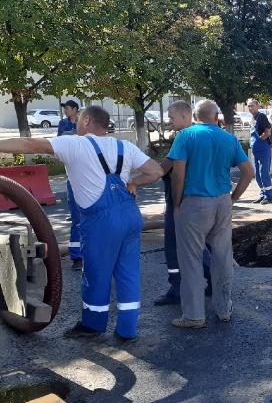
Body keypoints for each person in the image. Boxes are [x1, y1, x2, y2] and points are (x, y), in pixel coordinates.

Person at [0, 106, 163, 342]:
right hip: (130, 217)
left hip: (101, 222)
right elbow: (156, 171)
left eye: (79, 120)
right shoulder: (125, 146)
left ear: (86, 120)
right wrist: (134, 183)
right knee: (128, 273)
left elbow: (29, 145)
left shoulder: (74, 144)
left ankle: (92, 325)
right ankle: (128, 329)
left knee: (97, 273)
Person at [168, 100, 254, 328]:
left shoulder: (186, 136)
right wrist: (232, 198)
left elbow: (178, 175)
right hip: (222, 202)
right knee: (223, 257)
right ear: (217, 116)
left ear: (195, 116)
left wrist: (177, 203)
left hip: (194, 204)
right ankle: (224, 309)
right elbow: (248, 173)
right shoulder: (229, 138)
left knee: (191, 260)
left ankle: (194, 315)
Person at [153, 100, 213, 306]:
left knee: (174, 245)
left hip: (179, 201)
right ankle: (212, 281)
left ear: (185, 117)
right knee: (199, 245)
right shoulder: (205, 136)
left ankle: (177, 288)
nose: (169, 121)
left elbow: (169, 170)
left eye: (171, 117)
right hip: (203, 200)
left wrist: (175, 204)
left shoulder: (184, 138)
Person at [58, 100, 83, 271]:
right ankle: (77, 257)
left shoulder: (85, 122)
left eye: (68, 108)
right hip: (72, 176)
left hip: (86, 174)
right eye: (65, 108)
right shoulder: (62, 124)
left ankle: (95, 253)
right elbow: (60, 145)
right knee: (76, 217)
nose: (66, 111)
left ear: (75, 109)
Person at [247, 98, 272, 204]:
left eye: (252, 105)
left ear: (257, 106)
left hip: (263, 149)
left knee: (263, 172)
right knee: (257, 173)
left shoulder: (261, 116)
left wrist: (259, 140)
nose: (250, 108)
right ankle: (263, 194)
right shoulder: (252, 118)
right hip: (256, 150)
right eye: (248, 106)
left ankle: (269, 196)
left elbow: (268, 132)